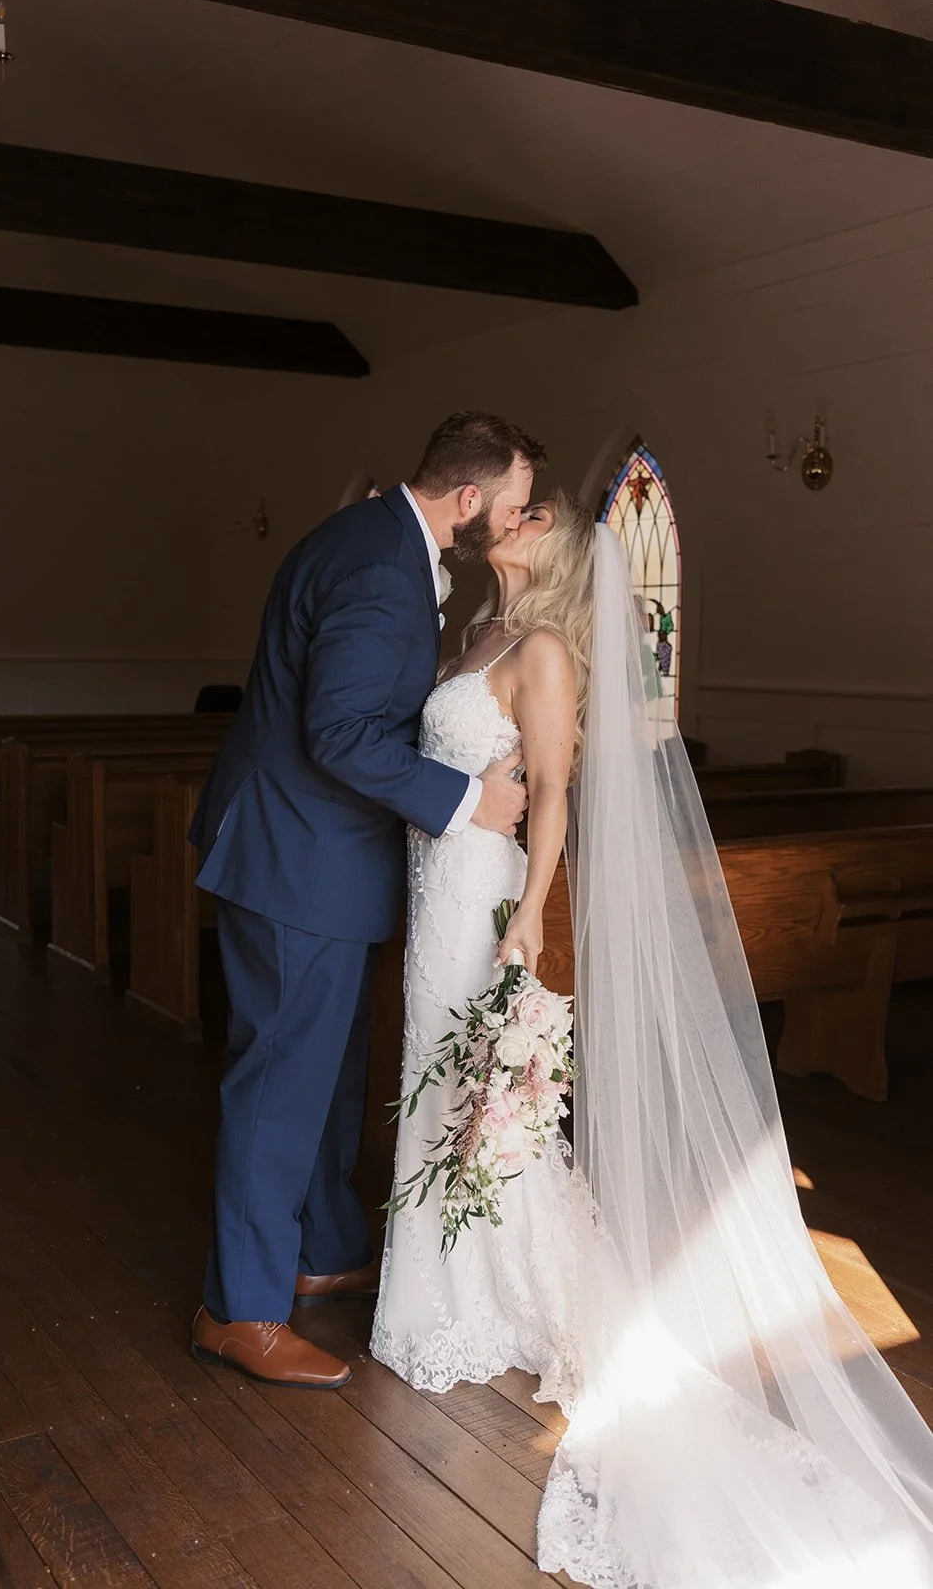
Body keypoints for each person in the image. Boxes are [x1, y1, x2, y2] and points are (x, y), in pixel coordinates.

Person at [373, 493, 933, 1585]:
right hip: (430, 882)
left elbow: (554, 803)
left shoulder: (540, 651)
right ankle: (448, 1287)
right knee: (435, 1078)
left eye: (530, 510)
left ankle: (483, 1294)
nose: (512, 515)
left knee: (480, 1089)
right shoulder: (471, 632)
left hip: (484, 895)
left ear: (560, 553)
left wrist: (531, 913)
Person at [187, 411, 544, 1389]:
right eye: (510, 506)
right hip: (294, 861)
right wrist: (473, 800)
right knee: (277, 1085)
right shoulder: (383, 569)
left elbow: (356, 696)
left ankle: (323, 1248)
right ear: (466, 499)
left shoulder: (374, 540)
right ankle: (240, 1309)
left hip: (315, 860)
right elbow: (338, 736)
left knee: (330, 1071)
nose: (514, 522)